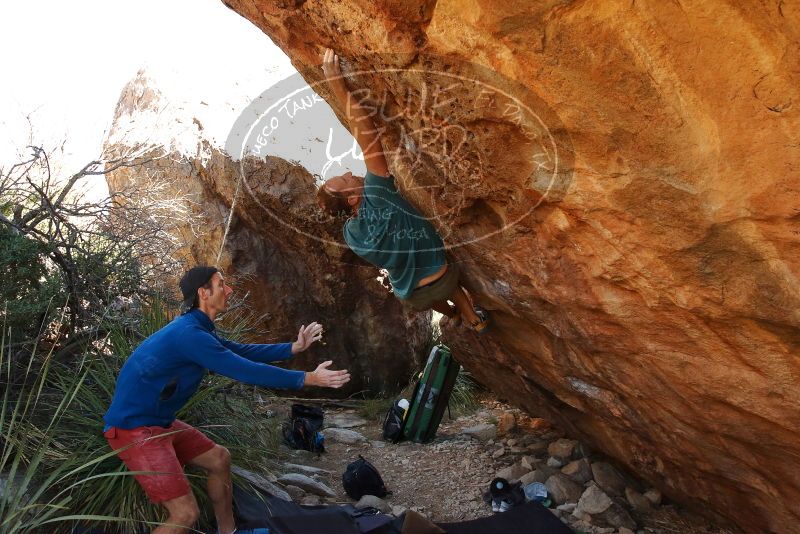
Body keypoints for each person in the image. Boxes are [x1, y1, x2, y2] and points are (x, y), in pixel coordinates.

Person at [103, 266, 350, 534]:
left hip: (158, 424)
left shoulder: (197, 328)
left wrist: (294, 347)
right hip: (134, 430)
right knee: (185, 514)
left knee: (219, 458)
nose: (229, 289)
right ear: (203, 293)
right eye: (222, 284)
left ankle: (228, 531)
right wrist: (308, 378)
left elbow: (239, 351)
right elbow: (243, 369)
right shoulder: (189, 335)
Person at [316, 48, 489, 333]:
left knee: (423, 291)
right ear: (353, 197)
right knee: (450, 285)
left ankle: (451, 315)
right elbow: (367, 135)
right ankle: (472, 317)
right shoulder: (378, 193)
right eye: (346, 179)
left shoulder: (350, 233)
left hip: (413, 296)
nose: (349, 172)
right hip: (442, 277)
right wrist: (337, 84)